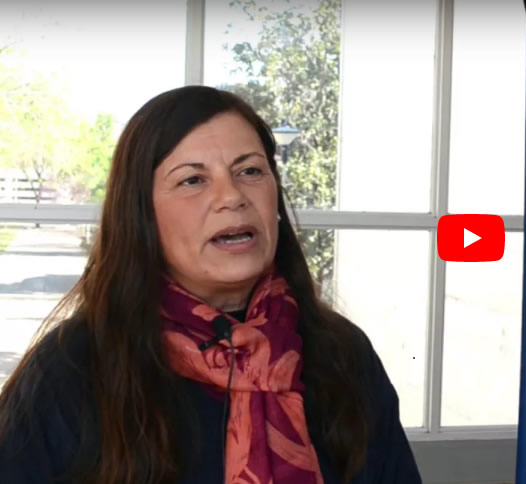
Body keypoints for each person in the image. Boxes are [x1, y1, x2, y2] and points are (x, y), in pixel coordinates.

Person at [0, 86, 422, 484]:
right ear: (142, 214)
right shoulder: (70, 371)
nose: (232, 196)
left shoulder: (343, 354)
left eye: (250, 171)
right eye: (193, 180)